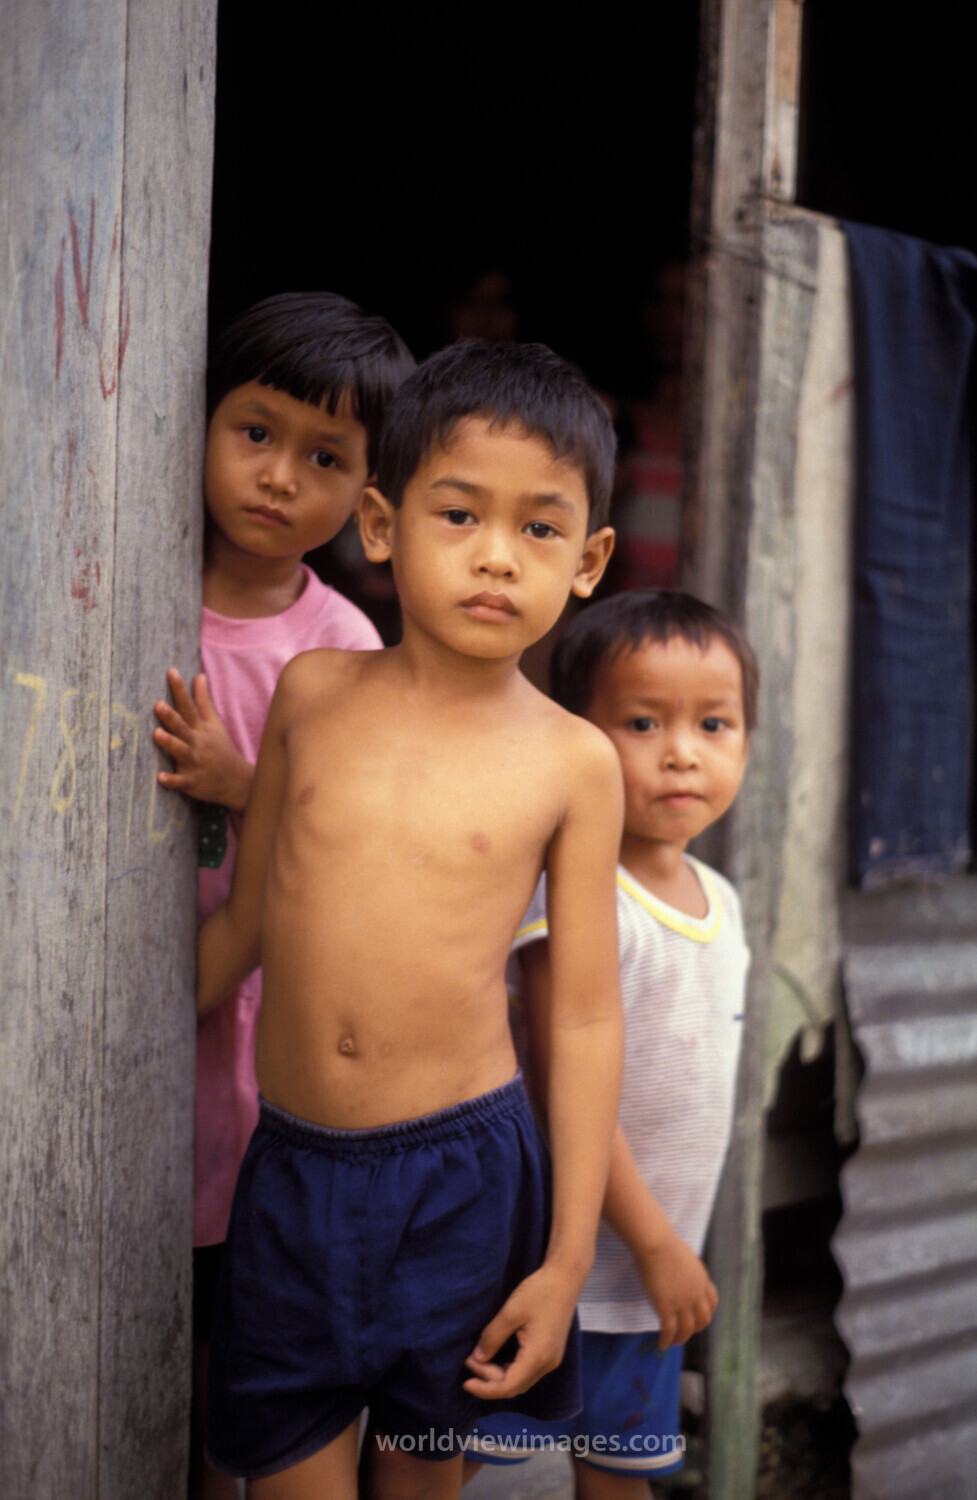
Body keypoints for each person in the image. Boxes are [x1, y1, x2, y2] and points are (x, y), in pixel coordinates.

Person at [196, 339, 625, 1500]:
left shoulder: (574, 764)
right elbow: (252, 914)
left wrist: (565, 1259)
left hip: (463, 1188)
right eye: (457, 514)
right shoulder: (314, 695)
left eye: (538, 530)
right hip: (288, 1170)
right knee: (283, 1470)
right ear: (380, 529)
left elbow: (580, 1016)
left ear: (586, 562)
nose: (495, 558)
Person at [151, 290, 415, 1500]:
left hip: (264, 1011)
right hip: (145, 982)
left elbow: (357, 827)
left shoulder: (348, 646)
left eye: (323, 460)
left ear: (367, 502)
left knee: (232, 1308)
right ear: (199, 423)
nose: (276, 479)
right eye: (254, 433)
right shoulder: (131, 585)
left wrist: (239, 779)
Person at [470, 589, 755, 1498]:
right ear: (578, 736)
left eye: (715, 723)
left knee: (619, 1473)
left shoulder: (724, 900)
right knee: (452, 1456)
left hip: (644, 1286)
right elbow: (563, 1087)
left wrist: (664, 1254)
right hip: (551, 1266)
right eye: (642, 722)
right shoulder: (579, 897)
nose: (682, 751)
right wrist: (658, 1241)